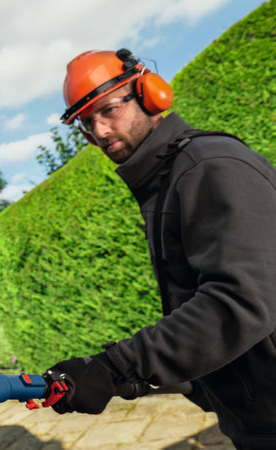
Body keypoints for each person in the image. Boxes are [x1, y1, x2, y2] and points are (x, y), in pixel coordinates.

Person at [46, 48, 276, 449]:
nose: (99, 131)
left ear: (149, 94)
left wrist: (115, 367)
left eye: (108, 110)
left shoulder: (208, 166)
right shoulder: (168, 178)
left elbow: (240, 301)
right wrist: (187, 381)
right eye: (86, 122)